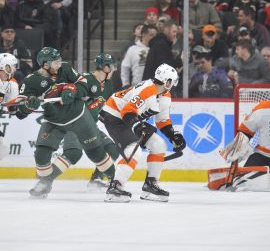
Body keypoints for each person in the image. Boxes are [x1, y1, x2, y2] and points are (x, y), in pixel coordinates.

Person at [16, 47, 115, 198]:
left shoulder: (66, 68)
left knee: (95, 152)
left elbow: (82, 83)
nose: (59, 63)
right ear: (45, 64)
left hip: (77, 117)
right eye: (55, 62)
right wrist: (29, 105)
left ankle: (117, 183)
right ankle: (44, 183)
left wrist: (73, 91)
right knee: (41, 153)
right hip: (53, 119)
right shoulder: (31, 81)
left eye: (59, 60)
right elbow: (19, 112)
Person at [102, 63, 186, 203]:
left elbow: (162, 121)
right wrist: (137, 126)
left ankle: (150, 185)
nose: (173, 85)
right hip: (114, 115)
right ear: (168, 81)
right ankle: (115, 187)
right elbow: (127, 112)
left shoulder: (165, 95)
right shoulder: (147, 90)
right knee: (134, 150)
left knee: (159, 145)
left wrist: (173, 136)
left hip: (129, 118)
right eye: (173, 81)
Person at [54, 53, 120, 190]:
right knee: (72, 153)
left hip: (90, 127)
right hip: (75, 125)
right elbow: (69, 98)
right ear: (106, 67)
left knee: (112, 150)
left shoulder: (108, 85)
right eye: (112, 66)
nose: (114, 69)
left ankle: (97, 178)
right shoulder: (84, 80)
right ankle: (44, 180)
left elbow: (101, 108)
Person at [209, 100, 270, 191]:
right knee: (240, 182)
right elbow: (245, 131)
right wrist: (238, 147)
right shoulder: (263, 107)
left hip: (262, 156)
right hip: (262, 156)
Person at [0, 53, 18, 160]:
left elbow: (12, 109)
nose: (15, 69)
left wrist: (25, 104)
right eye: (13, 66)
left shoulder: (12, 84)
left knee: (3, 148)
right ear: (5, 67)